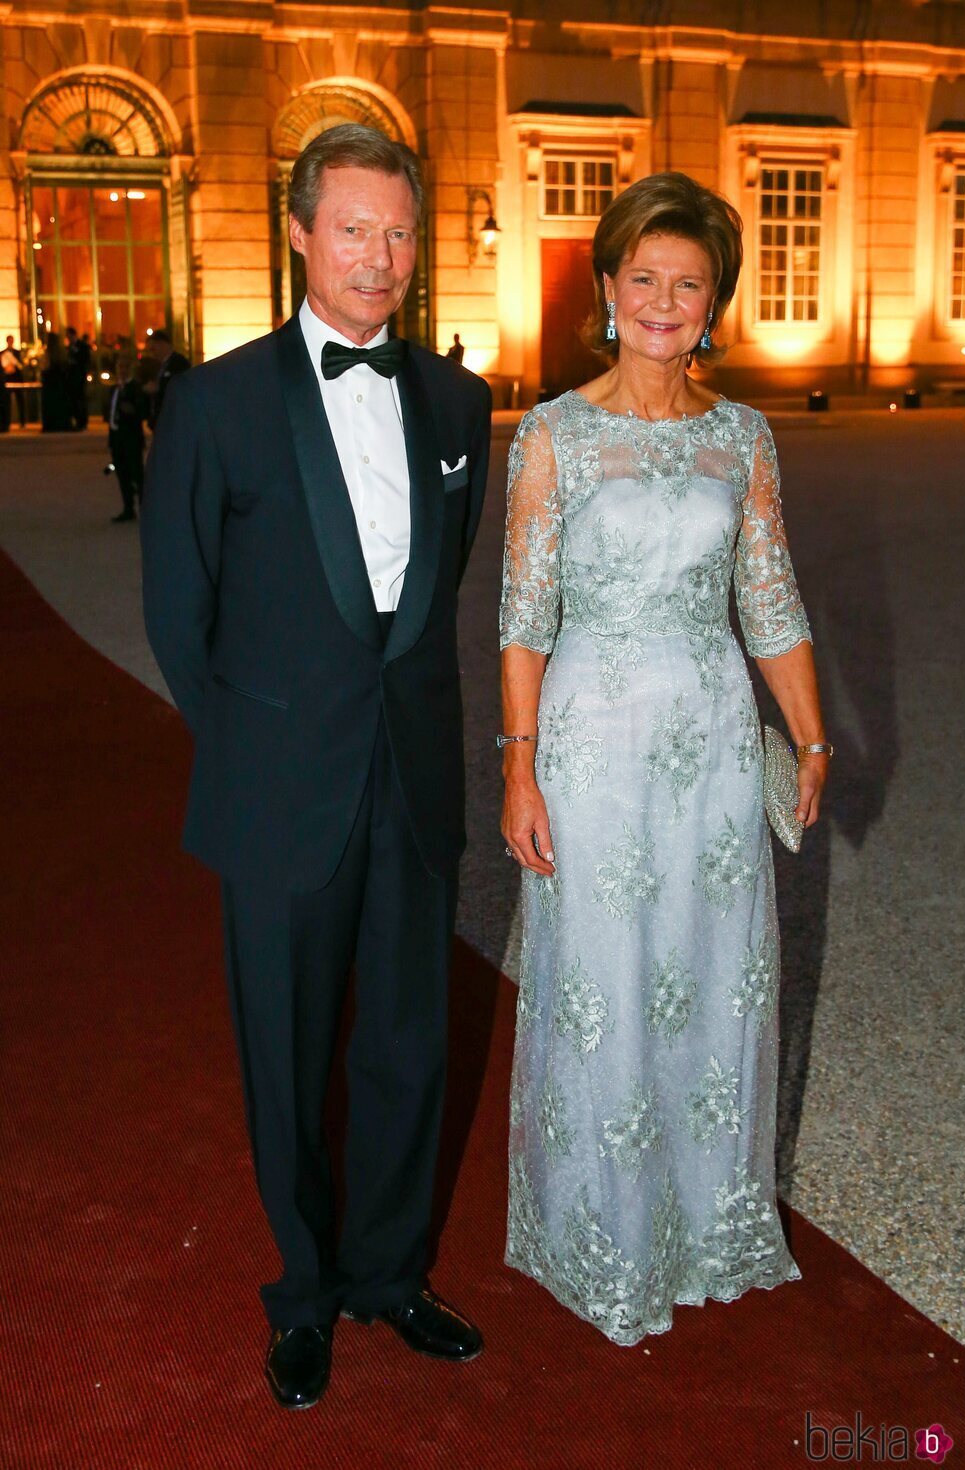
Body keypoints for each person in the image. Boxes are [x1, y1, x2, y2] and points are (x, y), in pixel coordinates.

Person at [141, 123, 492, 1410]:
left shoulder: (459, 405)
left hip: (410, 782)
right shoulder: (217, 401)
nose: (380, 257)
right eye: (353, 228)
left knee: (407, 1042)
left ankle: (389, 1274)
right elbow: (181, 613)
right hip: (278, 789)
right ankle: (303, 1292)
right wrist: (258, 752)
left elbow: (426, 603)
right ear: (298, 233)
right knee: (285, 1055)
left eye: (399, 231)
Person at [499, 171, 831, 1345]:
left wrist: (806, 729)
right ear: (605, 287)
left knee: (708, 974)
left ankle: (702, 1221)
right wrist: (518, 766)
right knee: (604, 982)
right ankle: (600, 1233)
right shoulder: (552, 435)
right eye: (642, 277)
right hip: (594, 744)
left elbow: (768, 594)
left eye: (686, 283)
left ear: (711, 305)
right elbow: (524, 615)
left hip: (707, 747)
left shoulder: (741, 438)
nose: (661, 300)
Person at [106, 353, 148, 523]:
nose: (122, 371)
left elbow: (142, 411)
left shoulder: (136, 388)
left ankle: (145, 509)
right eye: (119, 367)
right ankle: (128, 508)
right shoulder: (114, 389)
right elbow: (110, 414)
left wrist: (132, 410)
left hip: (132, 438)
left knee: (137, 475)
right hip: (117, 437)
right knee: (122, 474)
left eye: (125, 367)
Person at [145, 328, 189, 430]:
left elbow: (180, 387)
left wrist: (158, 387)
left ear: (163, 345)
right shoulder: (163, 365)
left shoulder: (178, 363)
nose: (153, 354)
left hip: (172, 420)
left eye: (153, 349)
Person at [40, 332, 71, 432]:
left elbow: (45, 367)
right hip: (59, 384)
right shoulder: (61, 353)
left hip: (50, 384)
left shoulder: (48, 354)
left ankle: (50, 424)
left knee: (50, 405)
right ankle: (60, 423)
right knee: (59, 404)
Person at [65, 325, 90, 429]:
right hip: (71, 377)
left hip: (79, 376)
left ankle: (82, 421)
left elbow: (86, 360)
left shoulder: (82, 346)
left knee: (81, 399)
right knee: (74, 400)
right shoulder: (68, 347)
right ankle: (77, 420)